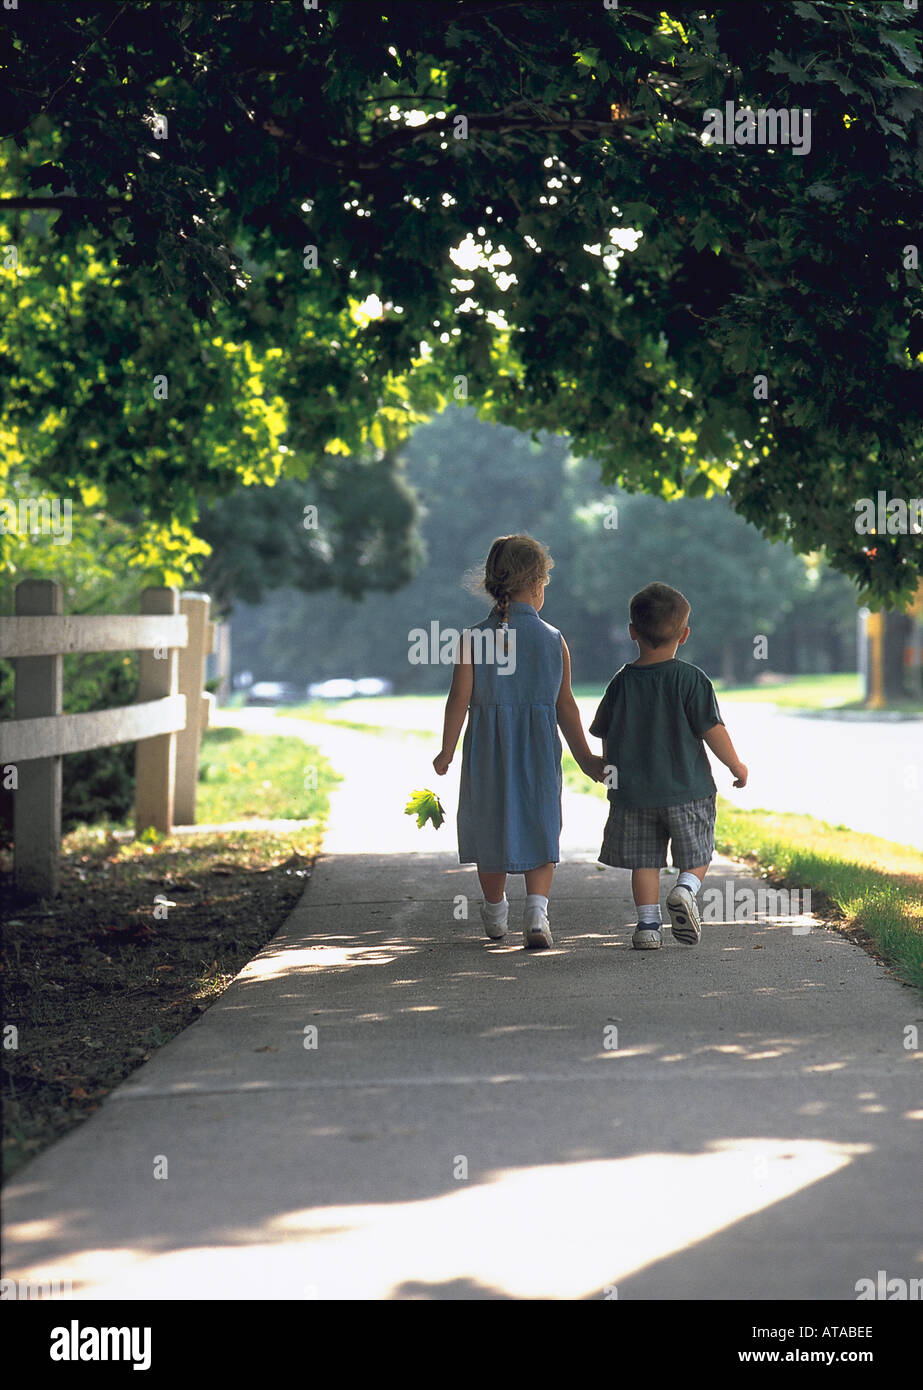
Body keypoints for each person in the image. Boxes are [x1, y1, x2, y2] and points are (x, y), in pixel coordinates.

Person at [433, 534, 605, 949]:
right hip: (539, 752)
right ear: (537, 584)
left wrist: (447, 749)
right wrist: (585, 758)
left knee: (490, 826)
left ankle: (495, 912)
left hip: (487, 754)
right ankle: (536, 912)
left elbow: (459, 699)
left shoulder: (473, 639)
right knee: (541, 824)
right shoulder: (553, 639)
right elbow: (566, 706)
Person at [589, 581, 748, 950]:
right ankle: (685, 890)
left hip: (633, 794)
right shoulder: (691, 679)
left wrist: (610, 768)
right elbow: (712, 730)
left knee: (644, 862)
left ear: (632, 632)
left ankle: (647, 927)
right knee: (697, 852)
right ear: (685, 634)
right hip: (687, 790)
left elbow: (606, 733)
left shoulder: (621, 682)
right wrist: (735, 764)